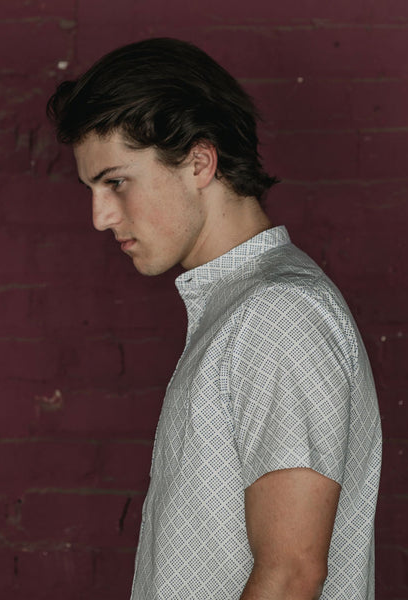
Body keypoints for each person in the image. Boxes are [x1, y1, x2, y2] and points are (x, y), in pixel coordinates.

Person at [47, 37, 382, 600]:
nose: (102, 217)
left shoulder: (277, 314)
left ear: (200, 162)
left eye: (116, 181)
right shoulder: (239, 308)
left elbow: (292, 573)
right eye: (93, 189)